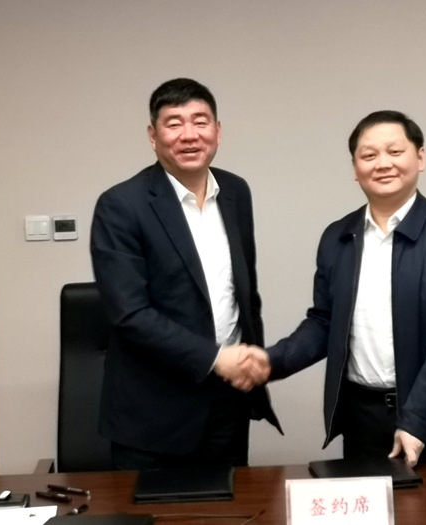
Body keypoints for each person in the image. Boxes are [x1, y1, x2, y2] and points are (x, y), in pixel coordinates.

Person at [262, 110, 426, 466]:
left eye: (395, 152)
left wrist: (417, 421)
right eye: (369, 155)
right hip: (363, 423)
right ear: (355, 169)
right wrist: (268, 363)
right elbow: (324, 323)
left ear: (420, 158)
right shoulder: (337, 237)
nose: (383, 164)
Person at [90, 78, 281, 471]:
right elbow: (130, 314)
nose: (189, 135)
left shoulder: (235, 192)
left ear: (218, 131)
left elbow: (244, 293)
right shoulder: (121, 205)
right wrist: (216, 358)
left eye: (200, 121)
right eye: (174, 123)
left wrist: (249, 364)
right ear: (153, 136)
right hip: (154, 416)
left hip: (228, 403)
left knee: (231, 504)